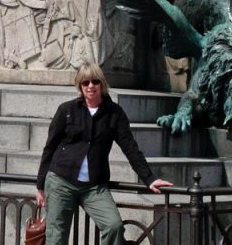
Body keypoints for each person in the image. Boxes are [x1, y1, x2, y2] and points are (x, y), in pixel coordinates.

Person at [36, 63, 172, 245]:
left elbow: (130, 148)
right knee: (56, 236)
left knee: (114, 226)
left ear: (102, 84)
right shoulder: (66, 110)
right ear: (80, 86)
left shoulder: (114, 113)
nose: (90, 86)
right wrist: (40, 186)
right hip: (61, 180)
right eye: (85, 83)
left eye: (95, 81)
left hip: (94, 186)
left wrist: (149, 178)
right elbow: (50, 147)